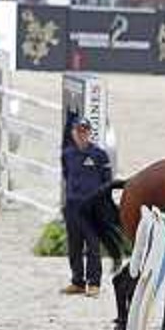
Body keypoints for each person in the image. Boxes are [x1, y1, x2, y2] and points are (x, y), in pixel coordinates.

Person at [60, 117, 112, 297]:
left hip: (92, 209)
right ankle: (77, 282)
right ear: (73, 133)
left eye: (85, 131)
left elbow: (107, 182)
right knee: (74, 246)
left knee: (93, 246)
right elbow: (67, 176)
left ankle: (94, 283)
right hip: (73, 206)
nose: (82, 135)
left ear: (90, 133)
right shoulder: (67, 154)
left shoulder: (99, 155)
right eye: (78, 131)